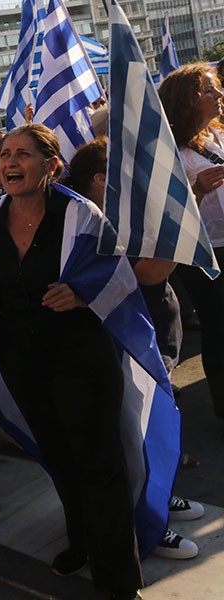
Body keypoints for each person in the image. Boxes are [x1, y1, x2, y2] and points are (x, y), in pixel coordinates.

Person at [0, 124, 143, 600]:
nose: (10, 162)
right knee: (59, 457)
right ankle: (82, 542)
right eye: (6, 154)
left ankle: (118, 578)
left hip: (82, 359)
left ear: (51, 166)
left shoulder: (80, 214)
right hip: (21, 362)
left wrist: (80, 292)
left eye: (23, 155)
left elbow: (117, 273)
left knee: (100, 462)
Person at [66, 137, 202, 561]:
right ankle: (147, 521)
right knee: (135, 433)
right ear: (101, 179)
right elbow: (144, 273)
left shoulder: (123, 215)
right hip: (124, 348)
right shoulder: (89, 226)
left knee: (155, 427)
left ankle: (159, 498)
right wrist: (182, 229)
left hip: (154, 338)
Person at [159, 64, 224, 421]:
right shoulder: (171, 152)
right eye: (209, 92)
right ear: (187, 100)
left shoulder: (217, 136)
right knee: (219, 324)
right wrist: (197, 190)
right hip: (203, 251)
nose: (218, 97)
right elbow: (169, 215)